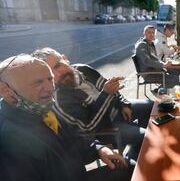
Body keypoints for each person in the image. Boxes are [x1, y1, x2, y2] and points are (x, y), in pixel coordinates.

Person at [0, 55, 129, 181]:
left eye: (50, 79)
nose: (50, 89)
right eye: (38, 82)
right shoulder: (6, 140)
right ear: (6, 91)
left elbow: (73, 139)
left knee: (129, 167)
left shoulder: (43, 107)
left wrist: (99, 149)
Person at [31, 47, 153, 161]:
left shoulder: (82, 69)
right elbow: (88, 128)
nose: (57, 75)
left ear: (65, 58)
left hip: (117, 109)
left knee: (151, 106)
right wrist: (105, 94)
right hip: (106, 129)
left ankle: (137, 150)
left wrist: (123, 103)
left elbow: (111, 87)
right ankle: (136, 162)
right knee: (149, 137)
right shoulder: (60, 98)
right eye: (49, 74)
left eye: (58, 65)